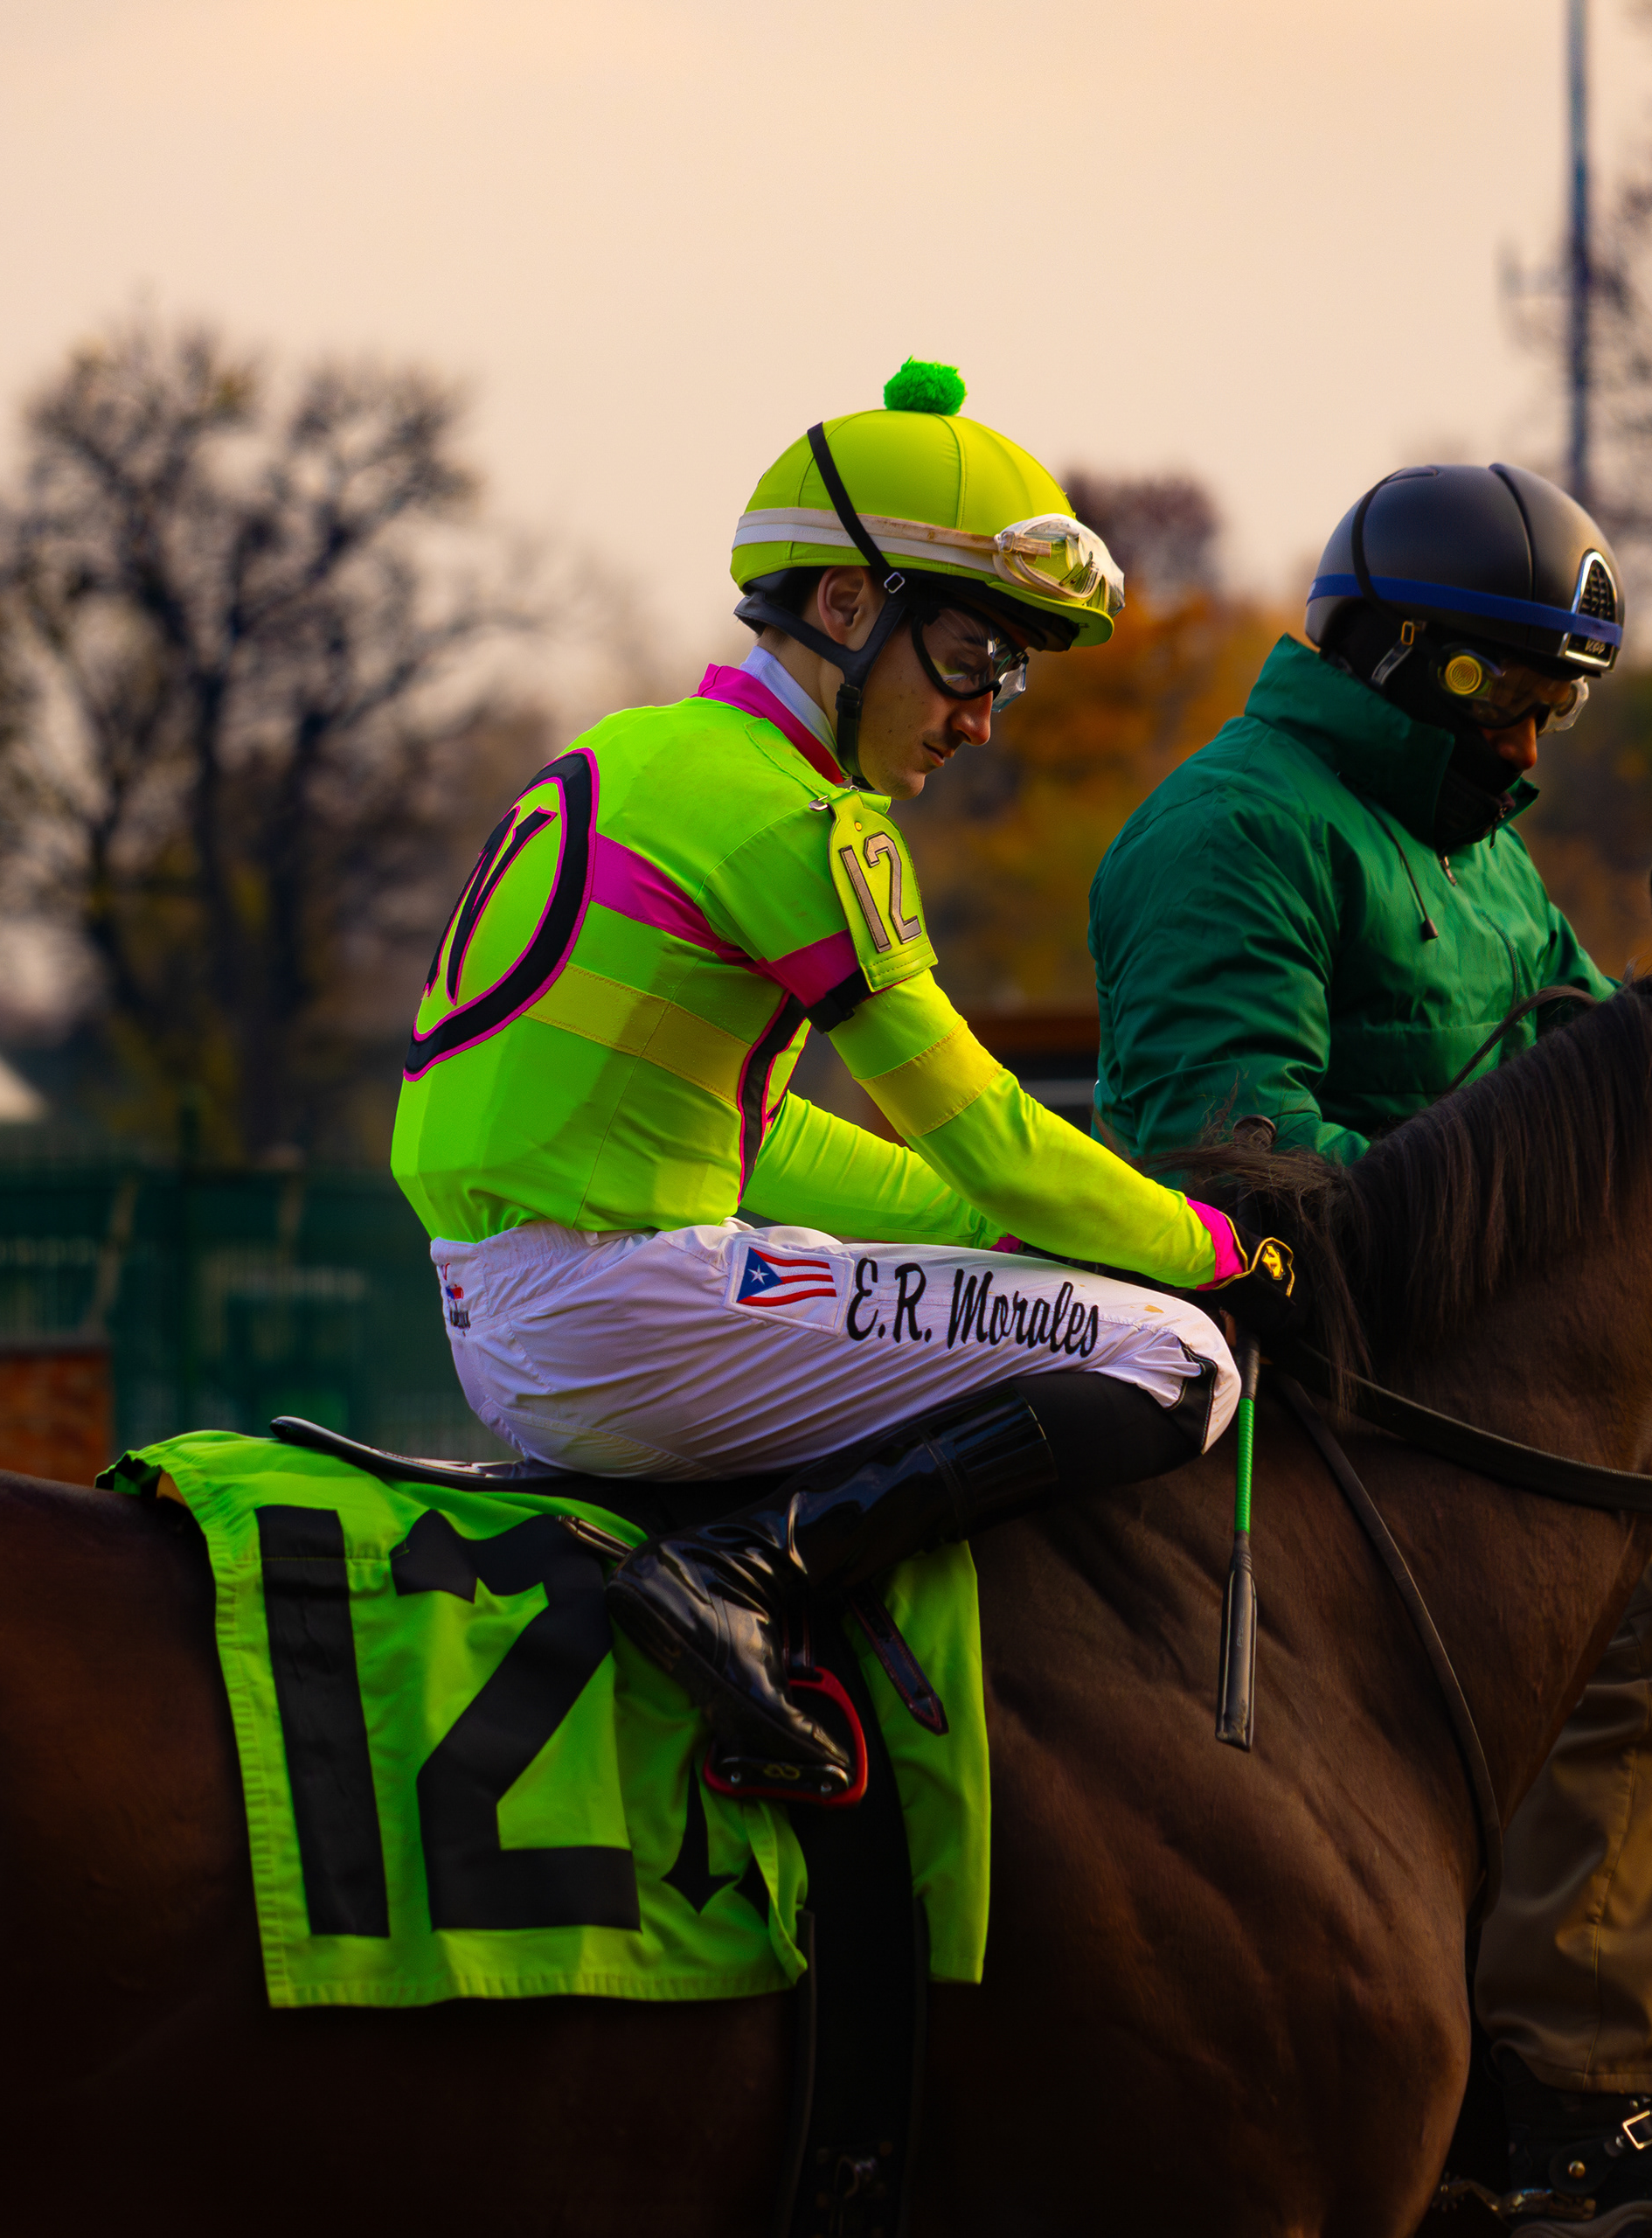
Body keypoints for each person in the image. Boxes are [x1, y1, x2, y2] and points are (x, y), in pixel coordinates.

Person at [1089, 462, 1652, 2233]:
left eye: (1560, 706)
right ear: (1389, 658)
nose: (1532, 749)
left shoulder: (1489, 861)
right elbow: (1227, 1158)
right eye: (1508, 700)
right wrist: (1538, 1261)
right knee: (1640, 1610)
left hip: (1469, 1383)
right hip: (1290, 1369)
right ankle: (1571, 2085)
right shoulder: (1237, 829)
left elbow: (1620, 1105)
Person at [391, 358, 1267, 1809]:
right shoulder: (806, 821)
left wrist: (985, 1235)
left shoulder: (638, 751)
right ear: (851, 609)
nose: (984, 717)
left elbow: (762, 1138)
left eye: (1011, 678)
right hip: (621, 1308)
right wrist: (1222, 1247)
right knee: (1174, 1355)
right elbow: (986, 1130)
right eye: (974, 659)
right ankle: (741, 1571)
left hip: (518, 1303)